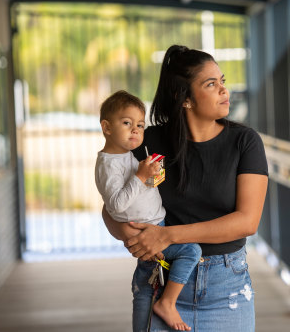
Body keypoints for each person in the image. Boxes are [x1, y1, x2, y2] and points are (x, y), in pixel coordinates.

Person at [102, 45, 268, 332]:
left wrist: (166, 234)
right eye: (211, 84)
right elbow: (112, 205)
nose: (223, 91)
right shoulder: (147, 142)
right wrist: (131, 237)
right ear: (185, 99)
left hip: (226, 288)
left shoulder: (245, 142)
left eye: (223, 82)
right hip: (159, 278)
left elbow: (247, 221)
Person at [95, 90, 201, 331]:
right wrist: (141, 177)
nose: (135, 130)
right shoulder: (107, 164)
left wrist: (153, 178)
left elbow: (140, 191)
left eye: (140, 125)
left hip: (154, 227)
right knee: (191, 251)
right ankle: (167, 303)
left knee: (144, 282)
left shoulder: (125, 156)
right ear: (107, 127)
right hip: (147, 231)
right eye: (127, 123)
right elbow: (117, 204)